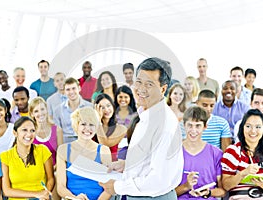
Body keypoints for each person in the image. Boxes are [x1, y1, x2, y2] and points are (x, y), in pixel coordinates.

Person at [100, 57, 183, 199]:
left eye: (149, 84)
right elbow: (150, 160)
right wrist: (127, 165)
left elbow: (158, 180)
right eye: (138, 82)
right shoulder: (145, 115)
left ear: (163, 89)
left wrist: (117, 187)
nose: (141, 89)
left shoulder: (164, 124)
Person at [56, 107, 112, 200]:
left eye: (91, 124)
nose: (87, 129)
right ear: (76, 125)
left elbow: (108, 188)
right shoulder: (63, 150)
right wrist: (75, 198)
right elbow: (61, 187)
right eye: (83, 124)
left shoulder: (104, 150)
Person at [175, 106, 225, 199]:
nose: (193, 130)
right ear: (184, 125)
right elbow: (167, 194)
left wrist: (208, 192)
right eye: (190, 125)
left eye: (198, 126)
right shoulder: (174, 152)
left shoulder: (216, 153)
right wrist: (186, 186)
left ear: (205, 127)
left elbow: (222, 191)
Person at [0, 116, 54, 200]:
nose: (29, 134)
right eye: (24, 130)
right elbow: (6, 191)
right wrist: (36, 194)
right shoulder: (5, 156)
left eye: (32, 130)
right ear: (15, 133)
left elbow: (51, 179)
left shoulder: (43, 151)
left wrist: (45, 193)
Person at [221, 109, 263, 199]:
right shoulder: (233, 151)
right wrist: (243, 173)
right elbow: (226, 185)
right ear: (242, 128)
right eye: (248, 126)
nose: (253, 131)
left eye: (258, 127)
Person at [53, 77, 92, 143]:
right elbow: (58, 133)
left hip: (85, 144)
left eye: (74, 88)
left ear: (79, 88)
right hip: (66, 146)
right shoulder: (58, 110)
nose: (71, 92)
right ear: (64, 92)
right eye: (68, 89)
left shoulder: (90, 107)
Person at [29, 97, 63, 166]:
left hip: (55, 171)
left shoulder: (57, 130)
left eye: (42, 109)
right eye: (36, 111)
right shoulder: (29, 133)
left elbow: (61, 156)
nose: (40, 113)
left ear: (46, 110)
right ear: (32, 114)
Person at [95, 93, 127, 161]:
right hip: (94, 165)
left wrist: (98, 122)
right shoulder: (92, 127)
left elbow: (104, 146)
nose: (106, 110)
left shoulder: (121, 128)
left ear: (113, 106)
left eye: (108, 106)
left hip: (112, 166)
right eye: (102, 107)